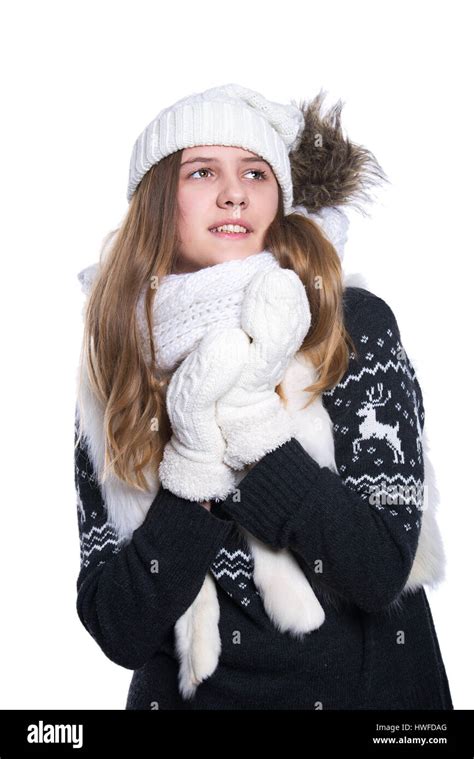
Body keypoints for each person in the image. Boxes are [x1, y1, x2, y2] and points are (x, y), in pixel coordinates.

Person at [73, 83, 453, 710]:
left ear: (279, 199)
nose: (234, 192)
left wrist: (252, 429)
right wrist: (193, 469)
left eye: (256, 172)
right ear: (158, 203)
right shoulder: (117, 367)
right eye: (201, 172)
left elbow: (378, 568)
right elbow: (120, 628)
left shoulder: (348, 325)